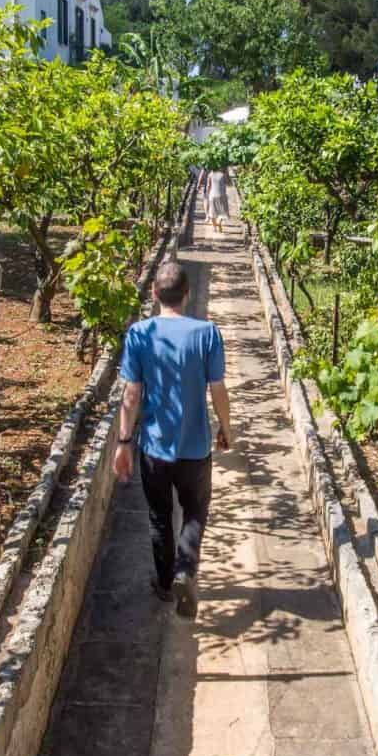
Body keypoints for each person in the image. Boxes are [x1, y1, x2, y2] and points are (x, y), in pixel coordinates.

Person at [113, 260, 233, 621]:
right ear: (188, 294)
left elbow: (132, 394)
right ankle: (186, 570)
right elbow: (218, 389)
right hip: (196, 448)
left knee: (160, 517)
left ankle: (166, 584)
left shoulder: (139, 335)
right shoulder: (207, 333)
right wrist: (226, 428)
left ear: (154, 293)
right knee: (195, 513)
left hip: (153, 448)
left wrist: (123, 442)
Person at [205, 168, 230, 233]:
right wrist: (227, 173)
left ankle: (214, 227)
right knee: (222, 211)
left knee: (212, 212)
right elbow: (228, 183)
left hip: (212, 195)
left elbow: (208, 186)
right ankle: (219, 223)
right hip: (222, 195)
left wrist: (207, 194)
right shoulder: (223, 175)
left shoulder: (210, 174)